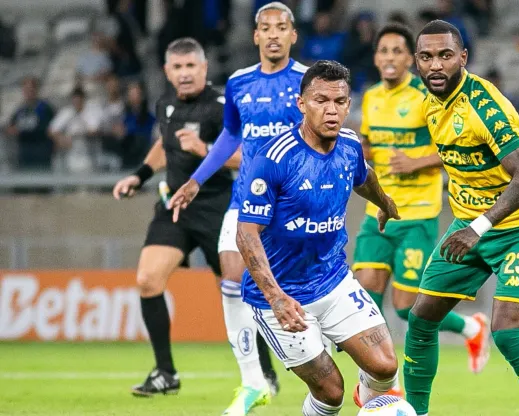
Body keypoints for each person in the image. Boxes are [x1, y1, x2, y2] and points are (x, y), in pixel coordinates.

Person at [403, 20, 519, 416]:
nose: (435, 65)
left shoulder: (486, 107)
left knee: (507, 333)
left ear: (463, 58)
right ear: (416, 62)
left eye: (444, 55)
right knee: (421, 318)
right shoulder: (430, 104)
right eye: (426, 57)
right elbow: (460, 150)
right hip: (469, 224)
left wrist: (478, 227)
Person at [235, 60, 402, 415]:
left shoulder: (349, 145)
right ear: (301, 104)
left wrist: (384, 203)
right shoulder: (273, 159)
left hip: (333, 281)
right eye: (320, 100)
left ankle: (373, 404)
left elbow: (364, 176)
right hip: (282, 299)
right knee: (331, 392)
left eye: (339, 102)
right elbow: (246, 233)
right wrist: (276, 297)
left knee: (386, 366)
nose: (331, 110)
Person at [168, 3, 306, 413]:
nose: (275, 34)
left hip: (297, 201)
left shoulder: (307, 82)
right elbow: (231, 135)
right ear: (256, 36)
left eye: (283, 27)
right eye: (267, 28)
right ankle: (253, 382)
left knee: (309, 295)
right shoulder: (239, 83)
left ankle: (343, 372)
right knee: (231, 277)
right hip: (247, 198)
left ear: (293, 35)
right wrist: (196, 180)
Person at [353, 23, 489, 384]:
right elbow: (369, 144)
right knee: (365, 294)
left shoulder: (426, 97)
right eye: (384, 51)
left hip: (418, 215)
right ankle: (378, 379)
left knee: (407, 307)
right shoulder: (370, 97)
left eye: (397, 51)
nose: (389, 58)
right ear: (376, 57)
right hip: (378, 212)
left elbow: (458, 149)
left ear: (410, 60)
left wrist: (414, 162)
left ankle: (472, 328)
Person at [111, 38, 242, 398]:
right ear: (168, 72)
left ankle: (261, 371)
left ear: (203, 69)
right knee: (147, 279)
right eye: (177, 68)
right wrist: (139, 175)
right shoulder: (165, 104)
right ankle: (165, 373)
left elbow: (248, 158)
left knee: (236, 293)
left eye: (191, 67)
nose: (184, 74)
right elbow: (163, 144)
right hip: (175, 207)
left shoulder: (222, 106)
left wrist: (204, 151)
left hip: (218, 207)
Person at [5, 76, 55, 171]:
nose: (28, 92)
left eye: (30, 89)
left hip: (41, 153)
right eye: (25, 89)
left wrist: (22, 130)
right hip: (24, 154)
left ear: (36, 89)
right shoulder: (20, 110)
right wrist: (11, 130)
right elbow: (11, 126)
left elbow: (46, 128)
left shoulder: (45, 108)